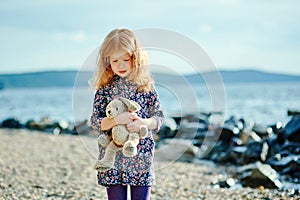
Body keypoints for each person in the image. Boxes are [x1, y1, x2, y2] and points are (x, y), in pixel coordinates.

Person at [90, 28, 164, 200]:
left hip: (141, 154)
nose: (121, 65)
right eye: (115, 60)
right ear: (107, 61)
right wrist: (116, 120)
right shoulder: (105, 89)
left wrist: (143, 123)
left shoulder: (145, 86)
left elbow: (159, 117)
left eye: (126, 59)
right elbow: (95, 122)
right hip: (113, 157)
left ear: (136, 58)